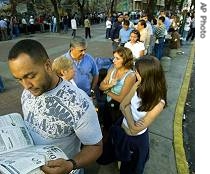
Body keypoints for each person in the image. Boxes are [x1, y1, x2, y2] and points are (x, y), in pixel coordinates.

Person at [8, 39, 103, 174]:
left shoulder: (79, 103)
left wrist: (71, 165)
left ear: (47, 65)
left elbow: (95, 146)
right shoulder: (28, 91)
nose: (26, 86)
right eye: (19, 79)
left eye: (31, 76)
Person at [119, 55, 167, 174]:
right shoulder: (137, 86)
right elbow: (121, 106)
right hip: (124, 133)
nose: (134, 73)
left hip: (136, 141)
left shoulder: (158, 103)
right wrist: (128, 112)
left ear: (147, 75)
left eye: (137, 71)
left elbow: (135, 130)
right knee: (123, 164)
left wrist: (127, 109)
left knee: (134, 169)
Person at [99, 46, 136, 134]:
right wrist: (110, 85)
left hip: (118, 110)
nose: (113, 61)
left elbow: (121, 98)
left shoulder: (130, 76)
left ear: (125, 60)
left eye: (117, 58)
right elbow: (101, 86)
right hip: (108, 105)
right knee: (106, 127)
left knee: (116, 131)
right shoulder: (112, 70)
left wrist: (107, 90)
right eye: (114, 57)